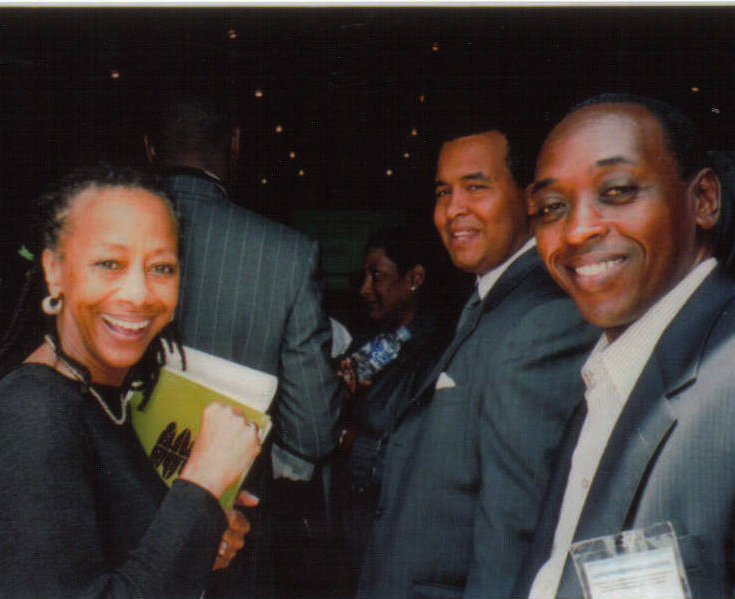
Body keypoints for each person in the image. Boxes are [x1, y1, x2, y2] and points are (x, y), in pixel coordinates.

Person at [0, 165, 263, 599]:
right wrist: (203, 484)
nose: (138, 293)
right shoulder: (31, 414)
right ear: (54, 271)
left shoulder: (102, 394)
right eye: (108, 263)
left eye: (161, 268)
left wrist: (199, 530)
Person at [515, 94, 735, 599]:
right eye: (551, 208)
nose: (577, 230)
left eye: (618, 190)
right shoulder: (605, 377)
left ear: (704, 200)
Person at [356, 120, 599, 599]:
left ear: (530, 198)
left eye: (475, 187)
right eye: (444, 192)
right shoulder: (492, 301)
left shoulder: (544, 316)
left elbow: (513, 532)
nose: (453, 210)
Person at [143, 92, 340, 598]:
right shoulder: (287, 256)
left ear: (148, 149)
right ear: (234, 143)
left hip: (107, 519)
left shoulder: (101, 239)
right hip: (230, 532)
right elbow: (313, 431)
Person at [332, 225, 453, 592]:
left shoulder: (437, 352)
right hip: (355, 517)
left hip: (391, 524)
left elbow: (408, 441)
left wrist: (352, 440)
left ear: (414, 279)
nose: (365, 289)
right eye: (363, 276)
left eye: (377, 276)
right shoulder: (369, 340)